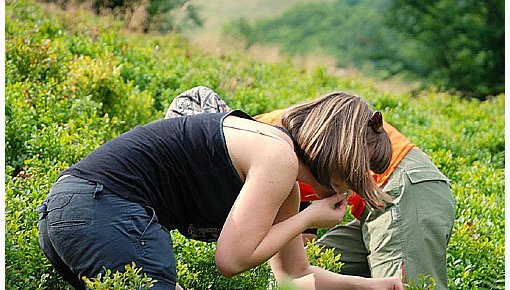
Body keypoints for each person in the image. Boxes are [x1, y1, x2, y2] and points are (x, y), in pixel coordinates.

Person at [37, 86, 404, 290]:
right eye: (356, 175)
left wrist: (370, 286)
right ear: (340, 156)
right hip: (104, 209)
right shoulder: (276, 156)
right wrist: (310, 217)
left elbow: (293, 279)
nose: (353, 188)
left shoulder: (284, 183)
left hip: (72, 214)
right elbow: (230, 261)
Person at [168, 86, 455, 289]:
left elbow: (240, 255)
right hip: (368, 202)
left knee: (406, 285)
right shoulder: (256, 151)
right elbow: (294, 262)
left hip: (400, 184)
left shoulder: (256, 145)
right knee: (305, 278)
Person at [254, 100, 455, 290]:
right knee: (311, 271)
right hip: (377, 203)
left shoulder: (259, 142)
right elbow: (294, 257)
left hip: (400, 186)